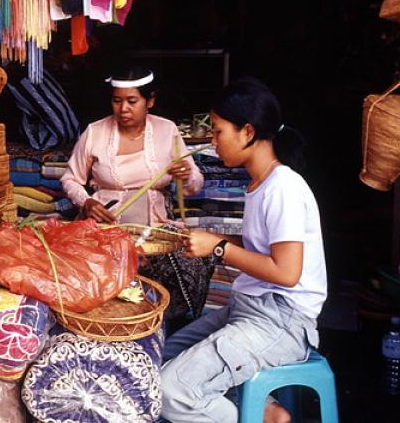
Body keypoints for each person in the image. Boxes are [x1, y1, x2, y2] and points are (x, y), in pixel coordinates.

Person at [160, 77, 327, 423]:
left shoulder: (284, 187)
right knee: (160, 356)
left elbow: (286, 271)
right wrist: (205, 239)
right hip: (249, 307)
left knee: (170, 392)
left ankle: (257, 417)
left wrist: (219, 247)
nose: (212, 141)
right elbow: (259, 249)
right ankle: (266, 412)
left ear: (247, 132)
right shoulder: (259, 183)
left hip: (281, 320)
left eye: (219, 131)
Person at [61, 66, 203, 226]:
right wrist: (86, 202)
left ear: (150, 100)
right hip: (103, 229)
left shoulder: (167, 130)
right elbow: (69, 179)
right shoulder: (95, 132)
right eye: (117, 101)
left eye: (132, 101)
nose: (123, 109)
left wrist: (186, 174)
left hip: (155, 230)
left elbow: (195, 185)